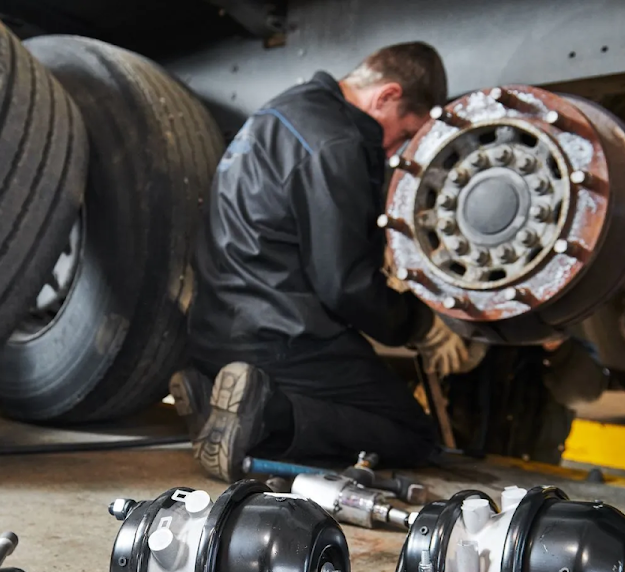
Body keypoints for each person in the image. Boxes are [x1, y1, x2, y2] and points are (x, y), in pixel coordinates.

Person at [170, 42, 475, 482]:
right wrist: (420, 325)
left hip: (216, 328)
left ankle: (211, 391)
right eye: (406, 132)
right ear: (386, 95)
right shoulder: (339, 141)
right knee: (414, 434)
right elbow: (345, 284)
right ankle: (267, 413)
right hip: (279, 337)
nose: (397, 151)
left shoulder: (281, 112)